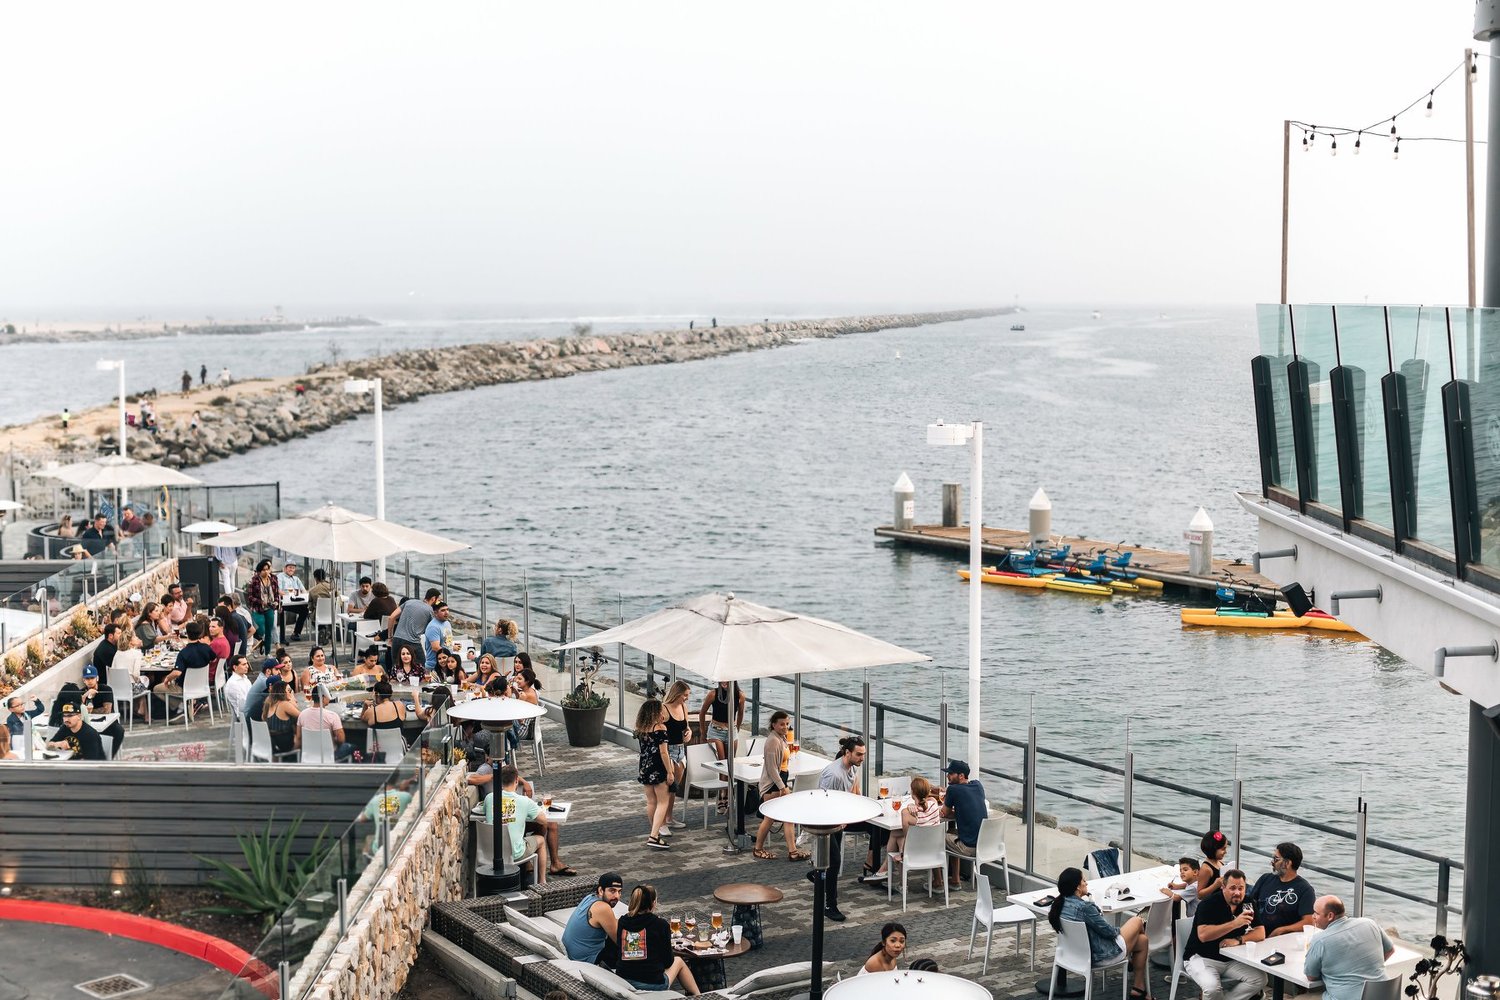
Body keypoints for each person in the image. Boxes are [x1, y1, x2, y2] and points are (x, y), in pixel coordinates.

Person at [813, 735, 887, 922]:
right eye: (859, 754)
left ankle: (818, 875)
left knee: (878, 828)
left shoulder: (851, 768)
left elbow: (851, 795)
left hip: (840, 820)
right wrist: (836, 822)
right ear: (847, 753)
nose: (862, 758)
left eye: (864, 754)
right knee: (835, 862)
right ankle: (830, 905)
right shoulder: (834, 774)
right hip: (827, 824)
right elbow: (823, 803)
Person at [1049, 867, 1152, 999]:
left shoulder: (1059, 904)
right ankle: (1130, 956)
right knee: (1137, 921)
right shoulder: (1084, 908)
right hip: (1100, 955)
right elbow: (1109, 932)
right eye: (1083, 880)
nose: (1086, 883)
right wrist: (1120, 930)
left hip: (1074, 955)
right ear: (1077, 887)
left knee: (1143, 941)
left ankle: (1139, 987)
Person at [1184, 868, 1267, 1000]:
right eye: (1232, 888)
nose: (1237, 893)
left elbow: (1261, 932)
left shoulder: (1248, 903)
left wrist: (1239, 940)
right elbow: (1203, 935)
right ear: (1223, 887)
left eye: (1241, 888)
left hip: (1231, 959)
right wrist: (1235, 924)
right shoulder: (1208, 904)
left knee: (1260, 979)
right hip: (1201, 957)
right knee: (1211, 989)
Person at [613, 884, 700, 995]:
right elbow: (668, 962)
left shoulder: (622, 921)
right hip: (652, 983)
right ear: (653, 903)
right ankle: (699, 995)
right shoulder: (660, 924)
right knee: (679, 961)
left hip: (624, 978)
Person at [1304, 895, 1394, 1000]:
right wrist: (1368, 967)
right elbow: (1390, 950)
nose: (1313, 916)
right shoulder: (1369, 923)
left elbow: (1311, 976)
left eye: (1316, 913)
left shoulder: (1319, 940)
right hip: (1385, 995)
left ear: (1330, 916)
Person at [484, 763, 553, 883]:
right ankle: (542, 881)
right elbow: (543, 820)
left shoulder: (489, 798)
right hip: (515, 853)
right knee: (541, 840)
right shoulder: (524, 801)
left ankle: (527, 869)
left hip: (490, 852)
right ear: (516, 780)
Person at [752, 711, 807, 860]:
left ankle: (793, 851)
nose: (785, 727)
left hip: (780, 780)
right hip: (772, 785)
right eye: (782, 724)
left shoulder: (781, 738)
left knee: (787, 816)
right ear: (774, 724)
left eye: (787, 724)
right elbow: (771, 768)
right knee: (769, 817)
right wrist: (782, 787)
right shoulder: (773, 741)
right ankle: (758, 849)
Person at [869, 775, 943, 882]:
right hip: (934, 849)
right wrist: (912, 805)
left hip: (916, 852)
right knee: (894, 833)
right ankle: (884, 871)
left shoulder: (906, 813)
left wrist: (908, 807)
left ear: (912, 793)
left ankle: (899, 881)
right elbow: (929, 800)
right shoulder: (934, 804)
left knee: (900, 839)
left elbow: (907, 835)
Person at [1246, 842, 1316, 938]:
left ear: (1287, 863)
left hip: (1283, 939)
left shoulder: (1305, 890)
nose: (1272, 862)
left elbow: (1308, 922)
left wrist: (1282, 930)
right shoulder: (1265, 878)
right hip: (1257, 934)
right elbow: (1249, 903)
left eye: (1276, 859)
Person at [698, 680, 745, 813]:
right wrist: (702, 732)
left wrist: (737, 728)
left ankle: (728, 794)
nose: (724, 682)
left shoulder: (740, 695)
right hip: (716, 730)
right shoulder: (713, 694)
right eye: (722, 680)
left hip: (731, 730)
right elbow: (702, 713)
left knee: (731, 763)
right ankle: (722, 796)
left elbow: (741, 713)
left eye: (727, 680)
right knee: (722, 763)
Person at [561, 871, 624, 967]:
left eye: (619, 892)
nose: (617, 896)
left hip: (574, 954)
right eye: (612, 891)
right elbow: (621, 942)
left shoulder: (590, 897)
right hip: (588, 959)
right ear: (601, 890)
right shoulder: (603, 908)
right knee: (636, 946)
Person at [941, 758, 987, 888]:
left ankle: (937, 882)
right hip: (985, 845)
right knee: (951, 832)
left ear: (961, 776)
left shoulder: (953, 790)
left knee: (936, 837)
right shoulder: (978, 785)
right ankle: (955, 880)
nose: (947, 776)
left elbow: (943, 813)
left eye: (951, 773)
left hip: (969, 848)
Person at [635, 699, 673, 849]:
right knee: (663, 801)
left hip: (644, 766)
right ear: (656, 713)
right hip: (658, 767)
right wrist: (670, 771)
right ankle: (654, 835)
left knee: (651, 802)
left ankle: (654, 831)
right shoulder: (660, 728)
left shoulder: (641, 728)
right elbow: (664, 752)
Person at [661, 680, 692, 833]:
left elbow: (686, 727)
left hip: (681, 750)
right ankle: (660, 824)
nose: (687, 698)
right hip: (668, 750)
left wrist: (689, 733)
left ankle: (669, 818)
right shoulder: (664, 709)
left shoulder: (683, 707)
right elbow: (656, 730)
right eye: (685, 695)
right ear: (677, 694)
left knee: (674, 788)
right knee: (665, 788)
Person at [388, 587, 440, 673]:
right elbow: (432, 629)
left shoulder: (409, 602)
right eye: (438, 600)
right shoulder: (430, 610)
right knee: (422, 669)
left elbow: (391, 617)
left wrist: (390, 637)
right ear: (433, 599)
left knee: (396, 669)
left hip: (397, 639)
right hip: (413, 642)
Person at [298, 684, 353, 761]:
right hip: (330, 755)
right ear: (323, 697)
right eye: (329, 695)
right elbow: (341, 739)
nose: (330, 697)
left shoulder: (302, 714)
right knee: (353, 746)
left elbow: (299, 737)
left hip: (308, 755)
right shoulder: (333, 716)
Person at [79, 664, 126, 753]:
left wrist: (88, 711)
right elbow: (76, 709)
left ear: (97, 678)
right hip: (88, 724)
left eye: (92, 678)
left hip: (107, 722)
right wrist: (85, 695)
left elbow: (107, 710)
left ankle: (108, 757)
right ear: (84, 680)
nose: (90, 681)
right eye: (87, 679)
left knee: (119, 730)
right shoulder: (81, 692)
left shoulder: (105, 689)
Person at [244, 560, 280, 653]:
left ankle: (267, 653)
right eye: (264, 570)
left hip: (270, 608)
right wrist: (261, 602)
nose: (266, 572)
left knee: (269, 630)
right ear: (259, 571)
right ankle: (260, 641)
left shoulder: (273, 578)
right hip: (258, 608)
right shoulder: (254, 580)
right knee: (260, 630)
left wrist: (276, 601)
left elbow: (276, 593)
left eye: (267, 569)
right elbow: (250, 597)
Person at [362, 679, 407, 752]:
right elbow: (404, 716)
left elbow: (363, 718)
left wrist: (365, 706)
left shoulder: (371, 711)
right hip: (399, 750)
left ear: (378, 694)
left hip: (378, 751)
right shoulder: (399, 705)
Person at [262, 676, 300, 758]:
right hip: (284, 744)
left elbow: (263, 718)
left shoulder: (269, 701)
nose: (291, 692)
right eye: (289, 690)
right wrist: (292, 699)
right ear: (282, 692)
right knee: (303, 728)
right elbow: (302, 717)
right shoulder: (284, 704)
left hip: (273, 742)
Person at [277, 561, 309, 641]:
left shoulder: (296, 579)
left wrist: (301, 593)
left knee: (305, 610)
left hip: (295, 602)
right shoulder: (280, 577)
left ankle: (296, 633)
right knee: (304, 610)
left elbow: (304, 590)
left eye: (293, 568)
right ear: (285, 568)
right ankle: (282, 638)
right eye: (290, 567)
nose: (291, 569)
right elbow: (278, 590)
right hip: (284, 603)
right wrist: (288, 594)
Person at [1198, 830, 1231, 902]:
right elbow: (1199, 894)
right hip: (1211, 904)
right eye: (1223, 849)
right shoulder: (1206, 868)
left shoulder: (1220, 863)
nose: (1225, 852)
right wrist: (1215, 885)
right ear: (1214, 849)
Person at [423, 602, 454, 673]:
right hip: (434, 666)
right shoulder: (433, 627)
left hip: (447, 664)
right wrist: (452, 658)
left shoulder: (447, 623)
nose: (446, 612)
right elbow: (436, 647)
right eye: (443, 610)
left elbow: (446, 643)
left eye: (447, 609)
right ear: (435, 613)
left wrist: (452, 647)